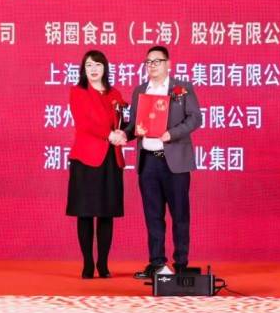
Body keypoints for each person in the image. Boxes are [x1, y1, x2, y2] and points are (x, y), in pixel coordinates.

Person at [116, 46, 202, 278]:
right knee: (153, 215)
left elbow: (195, 118)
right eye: (149, 62)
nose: (152, 66)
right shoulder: (140, 91)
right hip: (148, 162)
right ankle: (157, 263)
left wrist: (171, 134)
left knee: (180, 214)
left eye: (157, 61)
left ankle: (181, 263)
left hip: (174, 162)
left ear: (168, 64)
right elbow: (134, 124)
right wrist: (125, 133)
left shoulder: (182, 88)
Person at [67, 50, 127, 278]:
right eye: (89, 65)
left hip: (110, 159)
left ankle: (103, 263)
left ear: (105, 68)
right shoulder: (78, 92)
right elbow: (84, 123)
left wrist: (128, 132)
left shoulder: (115, 94)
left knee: (106, 213)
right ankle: (87, 263)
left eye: (98, 65)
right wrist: (109, 135)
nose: (93, 69)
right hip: (85, 158)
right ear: (83, 69)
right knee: (85, 213)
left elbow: (122, 123)